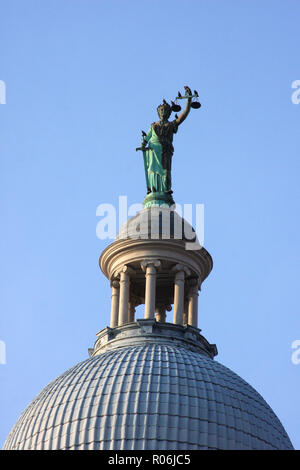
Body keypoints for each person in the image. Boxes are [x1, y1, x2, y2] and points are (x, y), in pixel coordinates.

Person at [141, 86, 193, 195]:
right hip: (153, 150)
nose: (163, 112)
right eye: (161, 110)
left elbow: (185, 113)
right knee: (152, 170)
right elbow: (147, 137)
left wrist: (189, 99)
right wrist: (143, 144)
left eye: (165, 110)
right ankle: (153, 188)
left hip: (165, 151)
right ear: (158, 112)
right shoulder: (153, 125)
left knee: (166, 172)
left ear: (169, 113)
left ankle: (165, 190)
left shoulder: (171, 125)